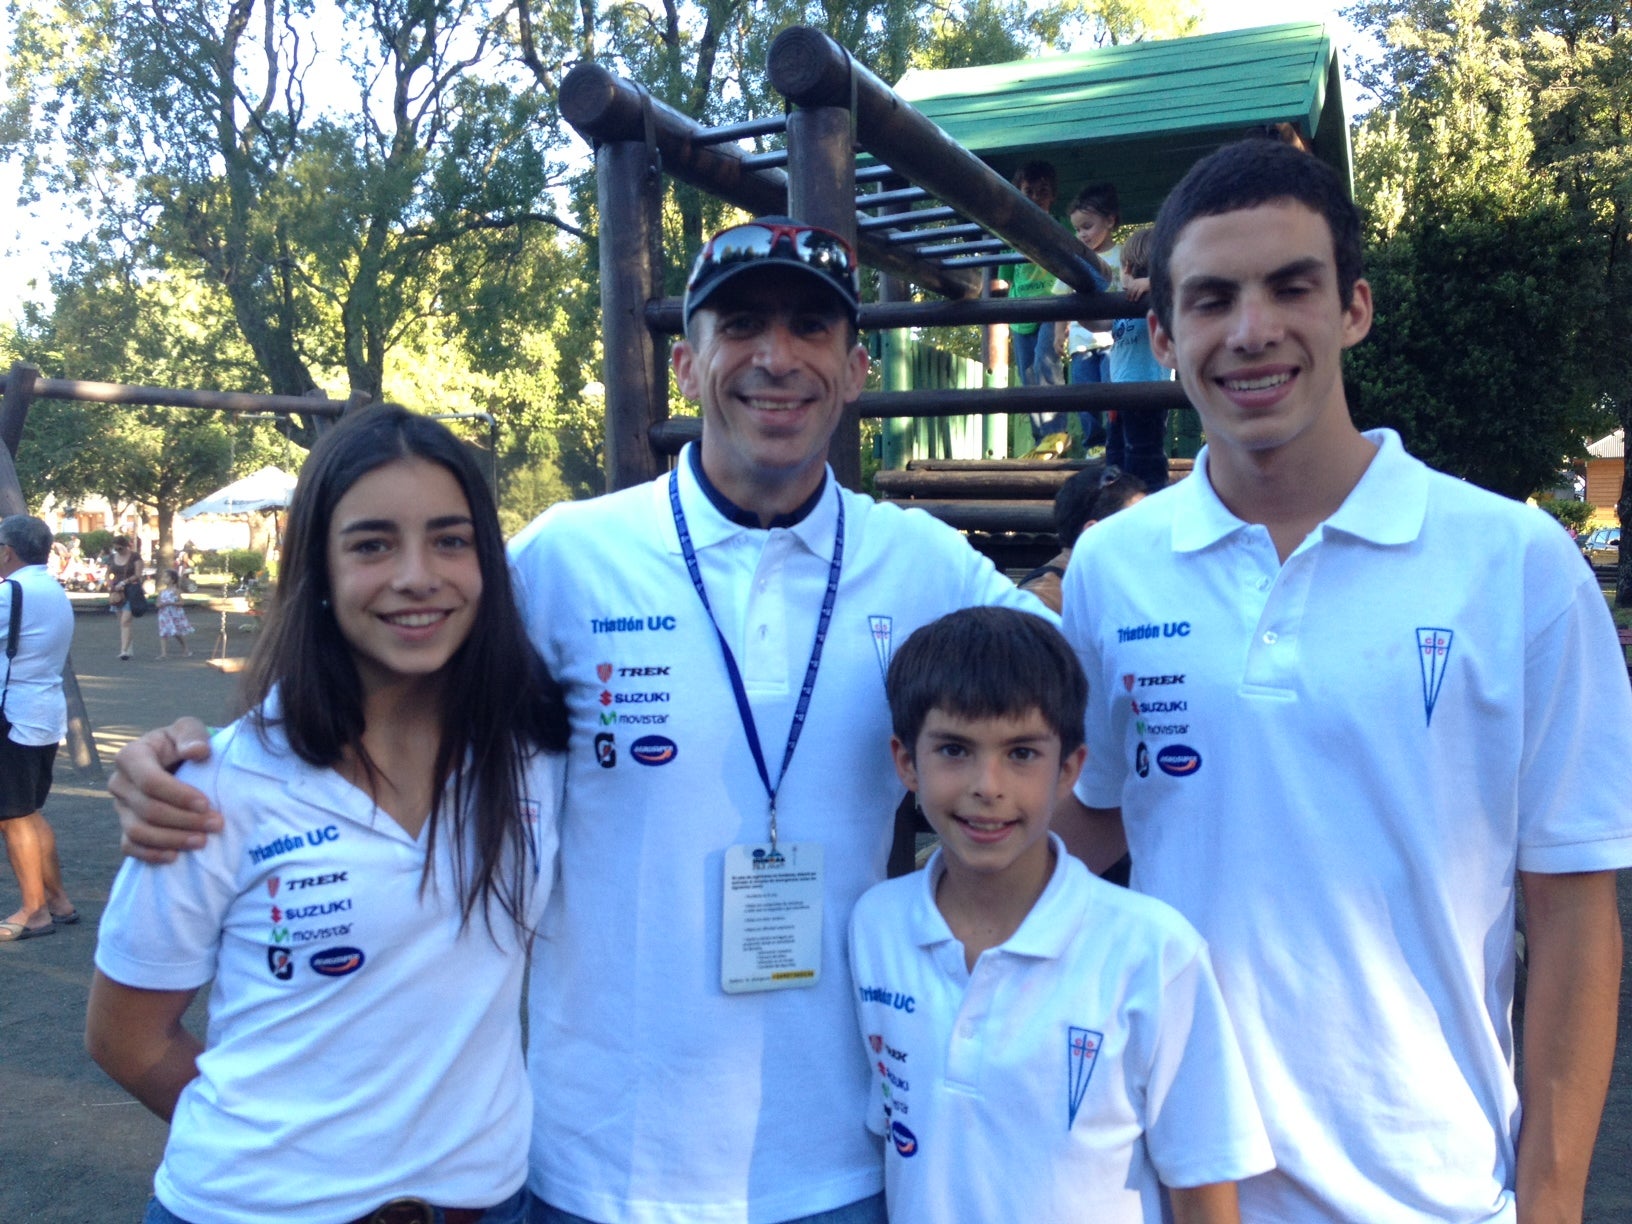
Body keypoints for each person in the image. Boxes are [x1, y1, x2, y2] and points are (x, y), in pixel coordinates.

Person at [109, 217, 1047, 1224]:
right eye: (741, 325)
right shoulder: (568, 556)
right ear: (687, 362)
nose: (777, 357)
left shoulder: (924, 564)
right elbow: (399, 646)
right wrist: (188, 755)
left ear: (856, 368)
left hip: (836, 1167)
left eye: (811, 329)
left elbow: (1087, 672)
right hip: (593, 1170)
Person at [1058, 138, 1632, 1221]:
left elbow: (1575, 919)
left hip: (1433, 1195)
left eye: (1292, 286)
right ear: (1163, 337)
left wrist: (1549, 1207)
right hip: (1179, 1192)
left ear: (1354, 308)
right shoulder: (1112, 569)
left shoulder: (1514, 564)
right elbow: (1088, 827)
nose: (1252, 330)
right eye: (1213, 298)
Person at [86, 405, 568, 1223]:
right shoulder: (215, 785)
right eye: (373, 544)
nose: (418, 574)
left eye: (450, 540)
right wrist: (298, 1162)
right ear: (316, 567)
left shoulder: (534, 755)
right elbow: (127, 1039)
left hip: (488, 1206)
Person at [850, 606, 1270, 1223]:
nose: (987, 786)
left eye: (1021, 753)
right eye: (954, 750)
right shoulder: (875, 928)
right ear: (907, 762)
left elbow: (1203, 1183)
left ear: (1070, 769)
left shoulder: (1152, 952)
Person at [0, 515, 77, 941]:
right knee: (25, 812)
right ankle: (58, 901)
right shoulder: (51, 588)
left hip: (14, 716)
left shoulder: (13, 593)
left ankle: (35, 910)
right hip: (42, 712)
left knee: (14, 817)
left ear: (7, 551)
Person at [1017, 463, 1147, 614]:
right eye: (1139, 525)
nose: (1152, 536)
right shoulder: (1042, 602)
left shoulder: (1100, 584)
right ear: (1093, 534)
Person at [1104, 225, 1172, 491]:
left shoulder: (1159, 300)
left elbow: (1177, 285)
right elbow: (1098, 323)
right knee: (1116, 453)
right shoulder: (1125, 303)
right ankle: (1116, 500)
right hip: (1118, 395)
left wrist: (1153, 284)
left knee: (1144, 454)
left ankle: (1150, 498)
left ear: (1129, 268)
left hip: (1147, 394)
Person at [1061, 182, 1122, 449]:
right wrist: (1057, 334)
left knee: (1112, 392)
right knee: (1084, 396)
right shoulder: (1077, 261)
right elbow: (1061, 298)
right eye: (1077, 229)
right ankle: (1093, 444)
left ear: (1109, 220)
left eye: (1088, 226)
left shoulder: (1123, 255)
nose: (1082, 234)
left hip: (1113, 340)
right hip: (1080, 340)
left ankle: (1115, 440)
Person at [104, 534, 142, 660]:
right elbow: (108, 573)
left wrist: (124, 582)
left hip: (131, 591)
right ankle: (128, 646)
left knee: (126, 621)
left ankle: (124, 650)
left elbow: (138, 574)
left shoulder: (134, 557)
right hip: (116, 592)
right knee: (122, 622)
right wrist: (109, 583)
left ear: (126, 546)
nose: (118, 551)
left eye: (120, 548)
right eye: (116, 549)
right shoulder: (112, 557)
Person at [153, 569, 194, 659]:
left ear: (172, 579)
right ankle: (163, 653)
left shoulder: (176, 591)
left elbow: (181, 602)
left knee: (176, 632)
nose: (164, 579)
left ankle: (185, 648)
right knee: (163, 633)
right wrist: (159, 605)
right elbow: (157, 603)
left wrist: (170, 603)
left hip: (174, 614)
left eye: (166, 577)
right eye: (163, 577)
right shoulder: (162, 592)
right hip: (164, 615)